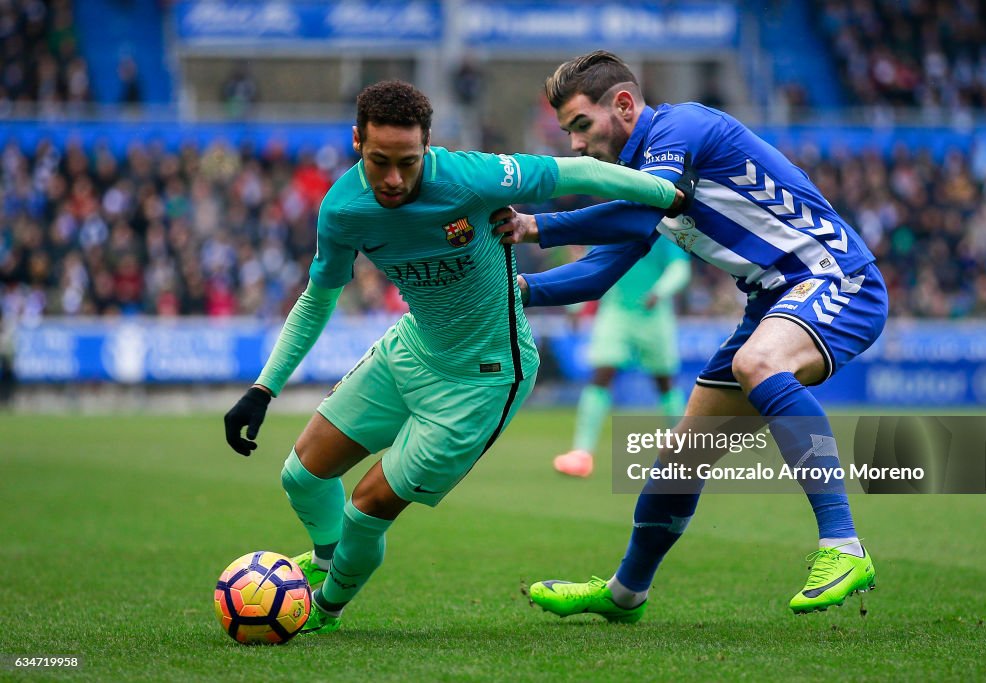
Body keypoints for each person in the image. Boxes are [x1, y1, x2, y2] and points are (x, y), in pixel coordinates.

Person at [223, 80, 693, 634]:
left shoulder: (473, 176)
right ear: (356, 143)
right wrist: (263, 388)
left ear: (429, 146)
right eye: (379, 162)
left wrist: (670, 196)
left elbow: (583, 173)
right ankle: (327, 563)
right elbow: (317, 298)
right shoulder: (342, 210)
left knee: (365, 508)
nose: (394, 178)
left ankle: (322, 608)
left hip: (484, 377)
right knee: (300, 476)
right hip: (414, 350)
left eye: (408, 162)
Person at [493, 51, 887, 618]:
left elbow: (631, 216)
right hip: (773, 302)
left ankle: (844, 545)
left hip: (835, 278)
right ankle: (627, 592)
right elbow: (597, 272)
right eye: (568, 132)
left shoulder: (683, 128)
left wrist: (538, 225)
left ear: (624, 106)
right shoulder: (645, 186)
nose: (576, 145)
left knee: (758, 365)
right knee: (682, 455)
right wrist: (515, 291)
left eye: (581, 125)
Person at [553, 234, 690, 477]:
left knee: (664, 381)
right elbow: (591, 266)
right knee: (601, 374)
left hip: (654, 313)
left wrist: (660, 291)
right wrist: (574, 306)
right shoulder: (611, 228)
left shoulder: (663, 231)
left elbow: (679, 268)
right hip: (616, 310)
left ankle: (683, 452)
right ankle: (581, 453)